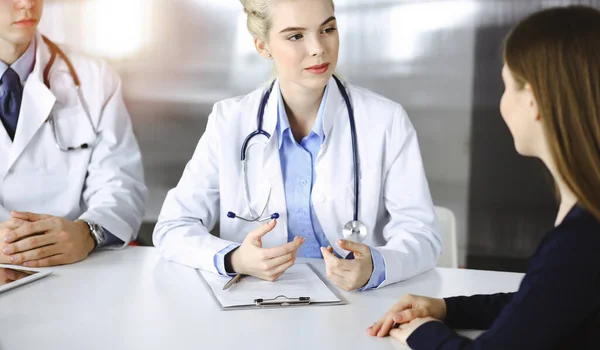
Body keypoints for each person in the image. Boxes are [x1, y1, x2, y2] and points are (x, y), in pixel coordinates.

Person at [153, 0, 440, 291]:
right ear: (263, 47)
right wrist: (235, 259)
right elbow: (173, 228)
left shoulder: (384, 120)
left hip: (358, 306)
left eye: (327, 29)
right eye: (295, 36)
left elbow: (421, 235)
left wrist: (375, 266)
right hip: (258, 305)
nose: (317, 48)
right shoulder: (229, 122)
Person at [368, 5, 600, 348]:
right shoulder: (585, 223)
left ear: (533, 100)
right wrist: (446, 308)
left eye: (506, 86)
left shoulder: (580, 239)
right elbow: (542, 304)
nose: (502, 102)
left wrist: (424, 335)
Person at [0, 0, 147, 267]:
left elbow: (121, 182)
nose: (26, 4)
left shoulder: (93, 76)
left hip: (79, 264)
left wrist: (89, 232)